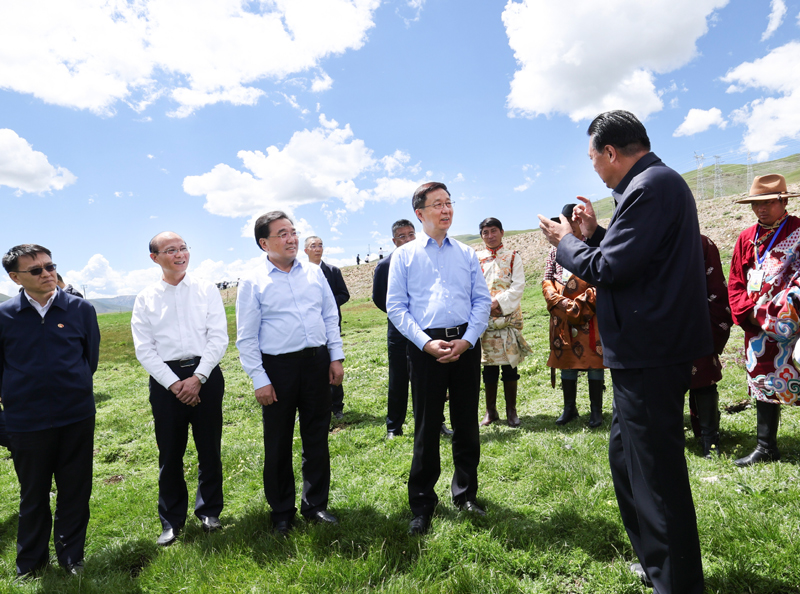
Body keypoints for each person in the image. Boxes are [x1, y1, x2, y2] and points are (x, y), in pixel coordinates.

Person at [538, 110, 712, 594]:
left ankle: (676, 581)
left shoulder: (651, 187)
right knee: (626, 458)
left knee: (656, 474)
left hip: (651, 352)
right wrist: (595, 234)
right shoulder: (650, 186)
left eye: (592, 158)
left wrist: (565, 243)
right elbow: (633, 258)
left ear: (611, 152)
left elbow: (611, 269)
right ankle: (656, 562)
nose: (593, 167)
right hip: (643, 352)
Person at [387, 182, 492, 535]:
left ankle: (466, 494)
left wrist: (468, 340)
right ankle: (422, 503)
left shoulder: (466, 253)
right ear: (420, 213)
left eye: (449, 203)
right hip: (425, 348)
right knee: (427, 426)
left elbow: (481, 300)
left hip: (465, 344)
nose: (446, 210)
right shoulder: (404, 256)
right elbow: (396, 308)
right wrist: (425, 343)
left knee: (466, 423)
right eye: (437, 204)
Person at [236, 211, 344, 536]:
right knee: (278, 441)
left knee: (317, 436)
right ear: (264, 243)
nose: (292, 238)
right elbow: (246, 337)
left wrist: (335, 357)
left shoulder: (313, 272)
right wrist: (260, 379)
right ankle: (281, 512)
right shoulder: (253, 281)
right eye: (282, 233)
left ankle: (316, 505)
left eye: (293, 232)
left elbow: (329, 316)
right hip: (278, 369)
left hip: (316, 363)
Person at [0, 244, 100, 577]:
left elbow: (90, 359)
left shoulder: (80, 309)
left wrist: (75, 386)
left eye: (50, 266)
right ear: (15, 278)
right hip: (25, 421)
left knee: (75, 490)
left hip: (76, 416)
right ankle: (31, 565)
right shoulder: (4, 316)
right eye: (36, 270)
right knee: (33, 494)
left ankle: (72, 559)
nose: (47, 274)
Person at [130, 232, 229, 546]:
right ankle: (172, 521)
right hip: (166, 381)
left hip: (205, 374)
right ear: (155, 258)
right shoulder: (146, 298)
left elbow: (218, 337)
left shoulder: (206, 289)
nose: (179, 254)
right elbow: (144, 349)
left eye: (183, 248)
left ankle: (209, 512)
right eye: (171, 250)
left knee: (209, 448)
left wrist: (198, 377)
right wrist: (174, 383)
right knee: (170, 452)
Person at [728, 174, 800, 466]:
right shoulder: (747, 237)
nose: (761, 208)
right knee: (762, 379)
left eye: (768, 202)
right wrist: (750, 314)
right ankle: (766, 446)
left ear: (783, 201)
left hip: (795, 322)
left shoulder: (798, 230)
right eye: (756, 204)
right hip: (757, 327)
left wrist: (782, 311)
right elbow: (736, 281)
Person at [373, 220, 453, 439]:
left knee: (429, 380)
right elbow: (380, 298)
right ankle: (394, 427)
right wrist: (403, 316)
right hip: (399, 331)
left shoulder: (425, 258)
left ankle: (435, 423)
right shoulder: (385, 265)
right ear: (394, 241)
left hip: (426, 330)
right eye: (402, 236)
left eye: (411, 234)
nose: (408, 239)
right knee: (398, 379)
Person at [541, 204, 606, 428]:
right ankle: (569, 408)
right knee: (566, 360)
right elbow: (547, 280)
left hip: (590, 314)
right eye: (565, 223)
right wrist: (560, 303)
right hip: (562, 315)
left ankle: (596, 411)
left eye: (572, 222)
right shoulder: (555, 251)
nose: (569, 226)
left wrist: (581, 305)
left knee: (594, 360)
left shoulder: (594, 247)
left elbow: (600, 280)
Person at [476, 217, 532, 428]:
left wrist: (498, 303)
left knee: (509, 366)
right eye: (485, 232)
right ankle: (490, 411)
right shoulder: (476, 259)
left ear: (502, 232)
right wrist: (485, 305)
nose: (490, 236)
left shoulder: (513, 256)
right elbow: (472, 286)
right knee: (489, 368)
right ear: (481, 236)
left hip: (507, 318)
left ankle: (511, 411)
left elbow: (518, 285)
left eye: (493, 231)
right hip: (485, 319)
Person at [687, 235, 732, 458]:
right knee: (664, 384)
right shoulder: (647, 241)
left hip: (697, 324)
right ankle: (668, 436)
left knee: (704, 377)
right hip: (660, 327)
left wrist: (714, 330)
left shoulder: (701, 243)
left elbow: (717, 291)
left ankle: (710, 439)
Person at [304, 236, 350, 419]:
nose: (317, 249)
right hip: (310, 329)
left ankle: (337, 406)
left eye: (320, 245)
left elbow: (344, 294)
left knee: (334, 363)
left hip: (330, 325)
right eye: (313, 246)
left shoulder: (332, 271)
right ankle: (310, 406)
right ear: (306, 250)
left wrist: (327, 304)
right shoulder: (300, 273)